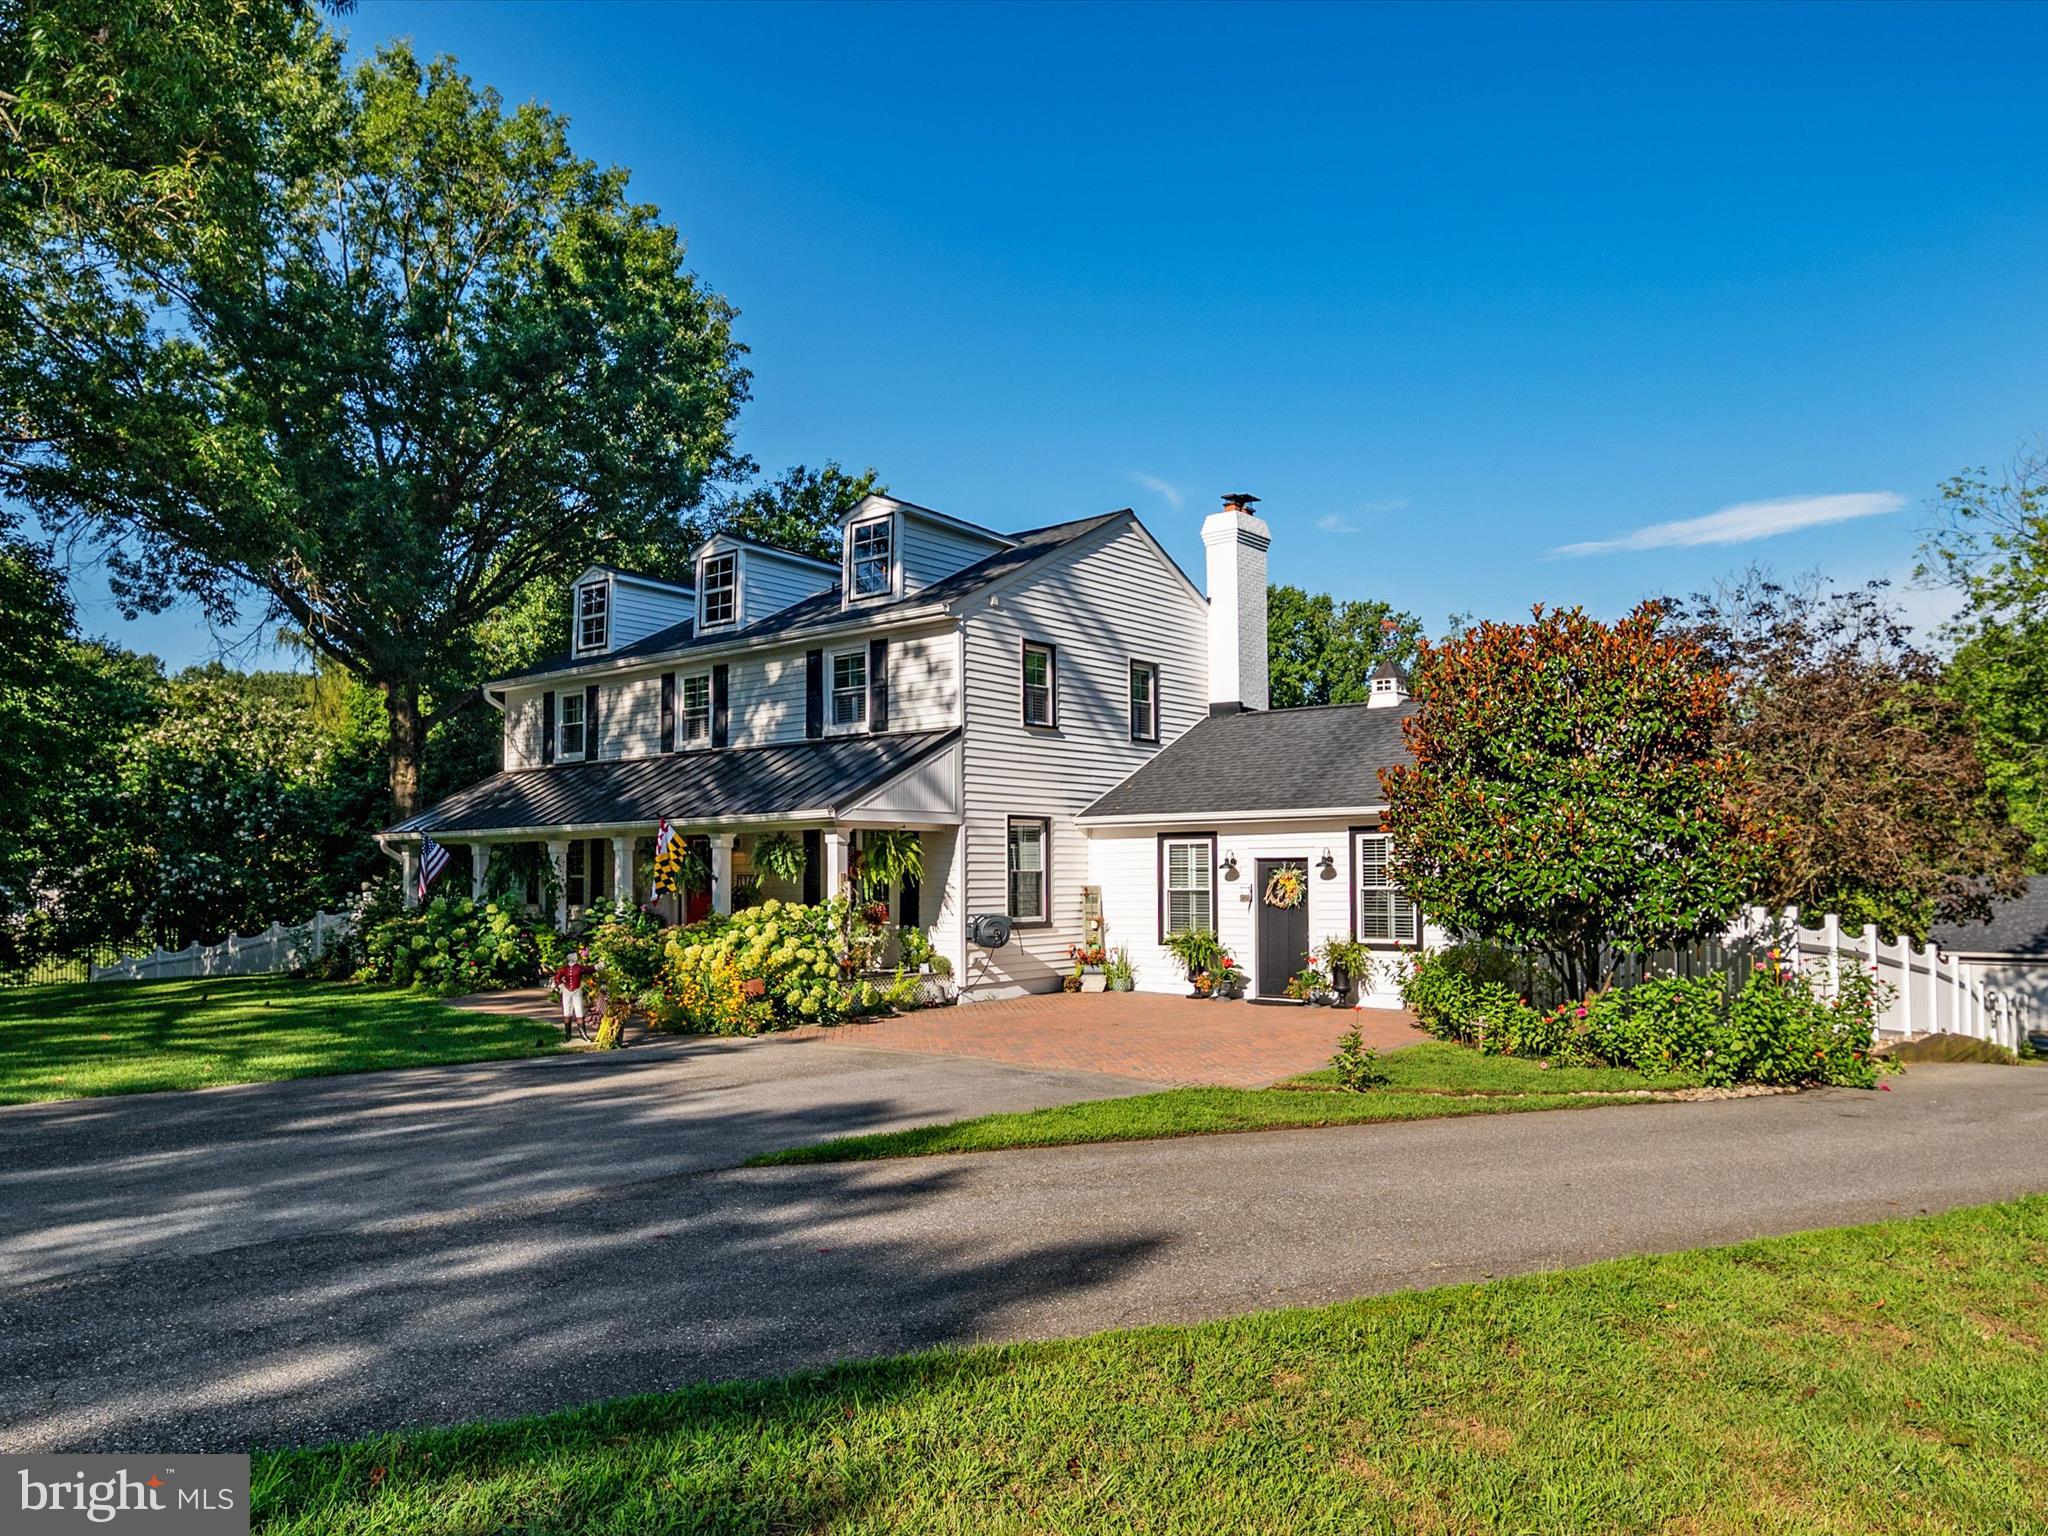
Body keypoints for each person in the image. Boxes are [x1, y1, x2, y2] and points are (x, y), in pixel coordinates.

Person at [552, 947, 591, 1039]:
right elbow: (557, 977)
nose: (575, 957)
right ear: (569, 957)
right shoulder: (564, 969)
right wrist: (560, 985)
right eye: (573, 955)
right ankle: (568, 1034)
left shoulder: (579, 967)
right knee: (567, 1011)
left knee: (579, 1011)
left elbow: (589, 969)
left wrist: (597, 967)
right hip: (566, 991)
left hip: (577, 991)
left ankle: (583, 1033)